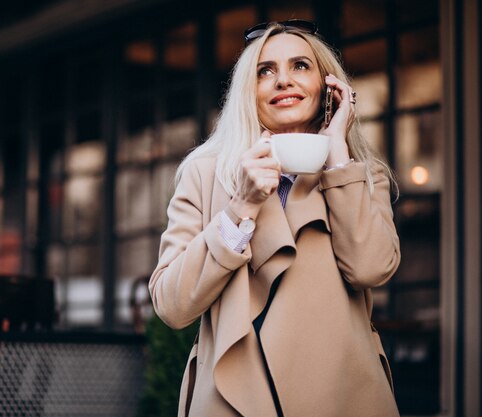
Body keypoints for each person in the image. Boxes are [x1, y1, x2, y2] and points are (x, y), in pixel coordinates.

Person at [148, 20, 401, 417]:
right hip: (232, 397)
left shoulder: (362, 175)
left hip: (342, 396)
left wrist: (337, 156)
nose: (283, 81)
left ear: (328, 86)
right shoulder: (205, 173)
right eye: (265, 71)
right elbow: (172, 305)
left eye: (300, 66)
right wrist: (240, 208)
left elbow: (370, 269)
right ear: (248, 92)